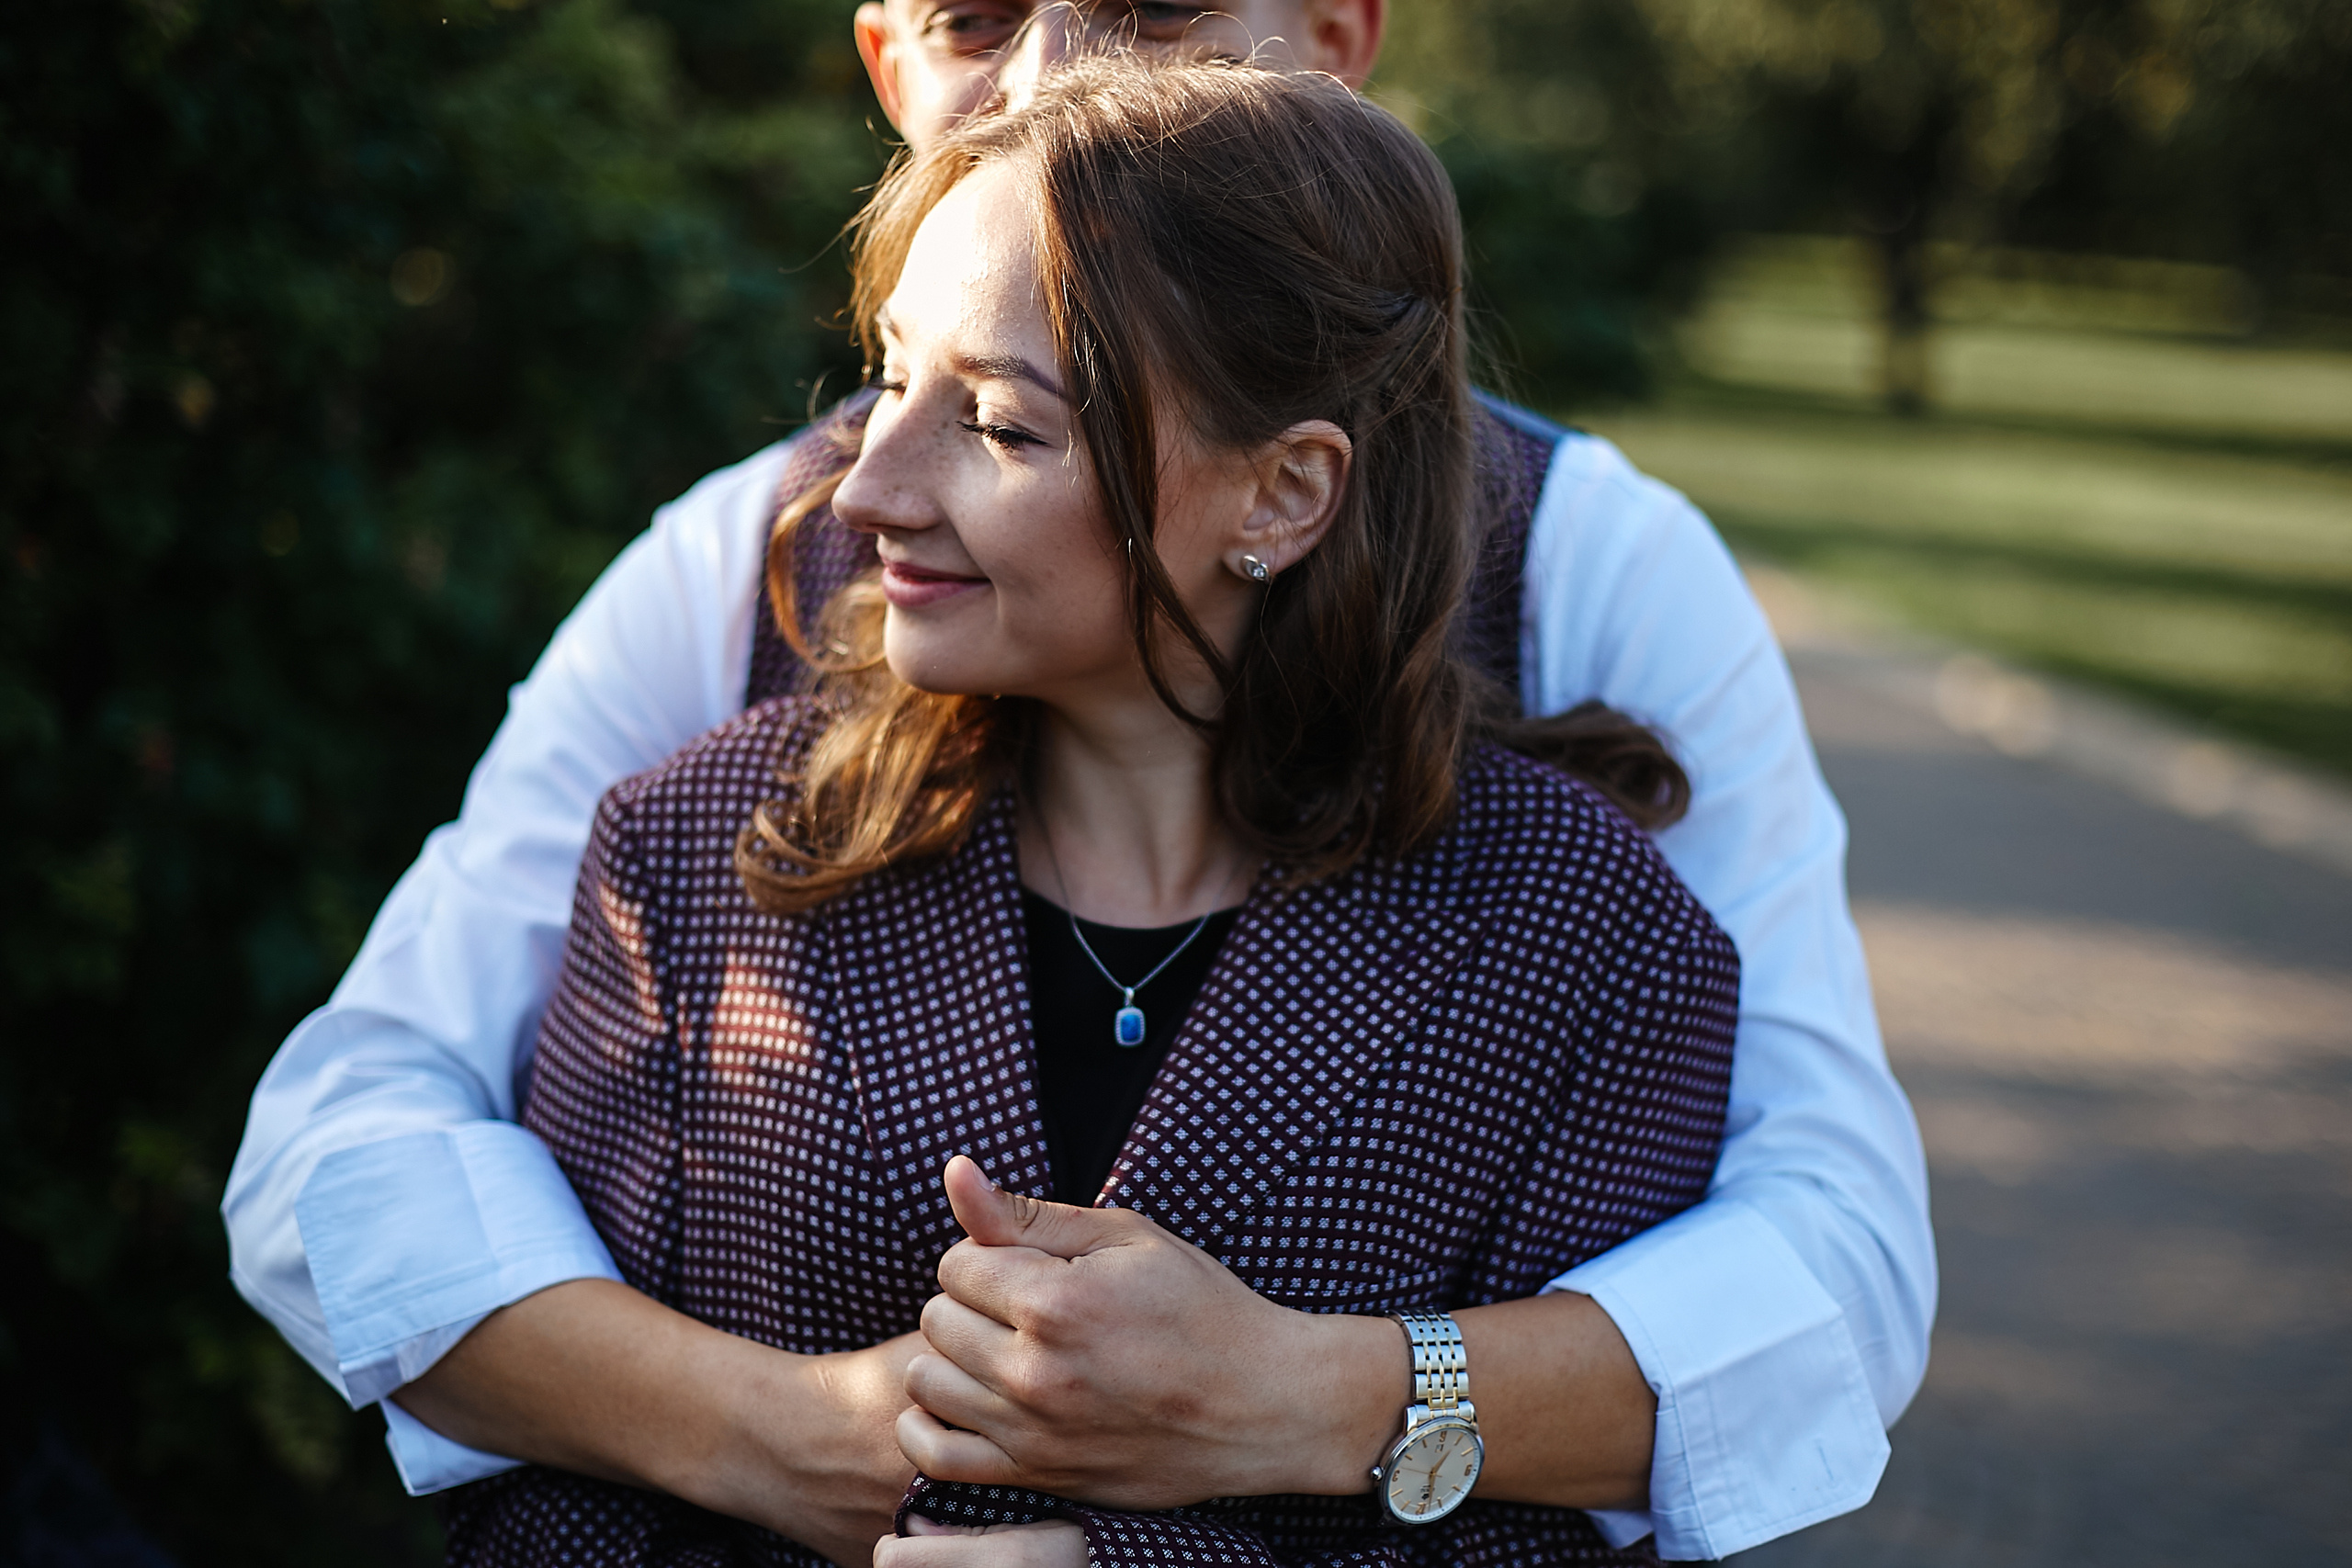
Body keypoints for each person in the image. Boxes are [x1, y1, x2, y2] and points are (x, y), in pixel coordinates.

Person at [221, 4, 1933, 1562]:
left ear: (1331, 42)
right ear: (889, 67)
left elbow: (1828, 1276)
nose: (1049, 77)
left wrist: (1319, 1398)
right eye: (975, 17)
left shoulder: (1600, 614)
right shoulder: (727, 626)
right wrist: (795, 1439)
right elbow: (344, 1145)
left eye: (1152, 11)